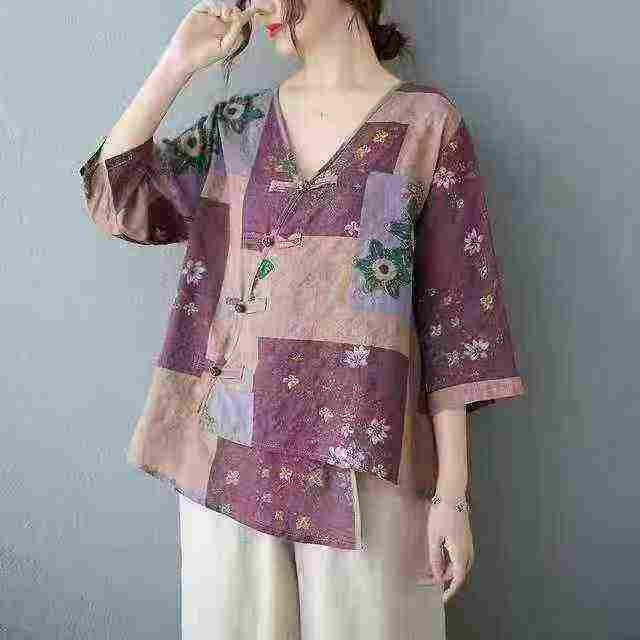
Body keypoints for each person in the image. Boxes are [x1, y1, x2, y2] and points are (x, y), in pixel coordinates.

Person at [78, 1, 526, 638]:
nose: (258, 3)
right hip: (230, 460)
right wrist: (177, 64)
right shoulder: (239, 128)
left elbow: (457, 327)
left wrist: (452, 494)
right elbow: (119, 197)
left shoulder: (425, 128)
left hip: (368, 464)